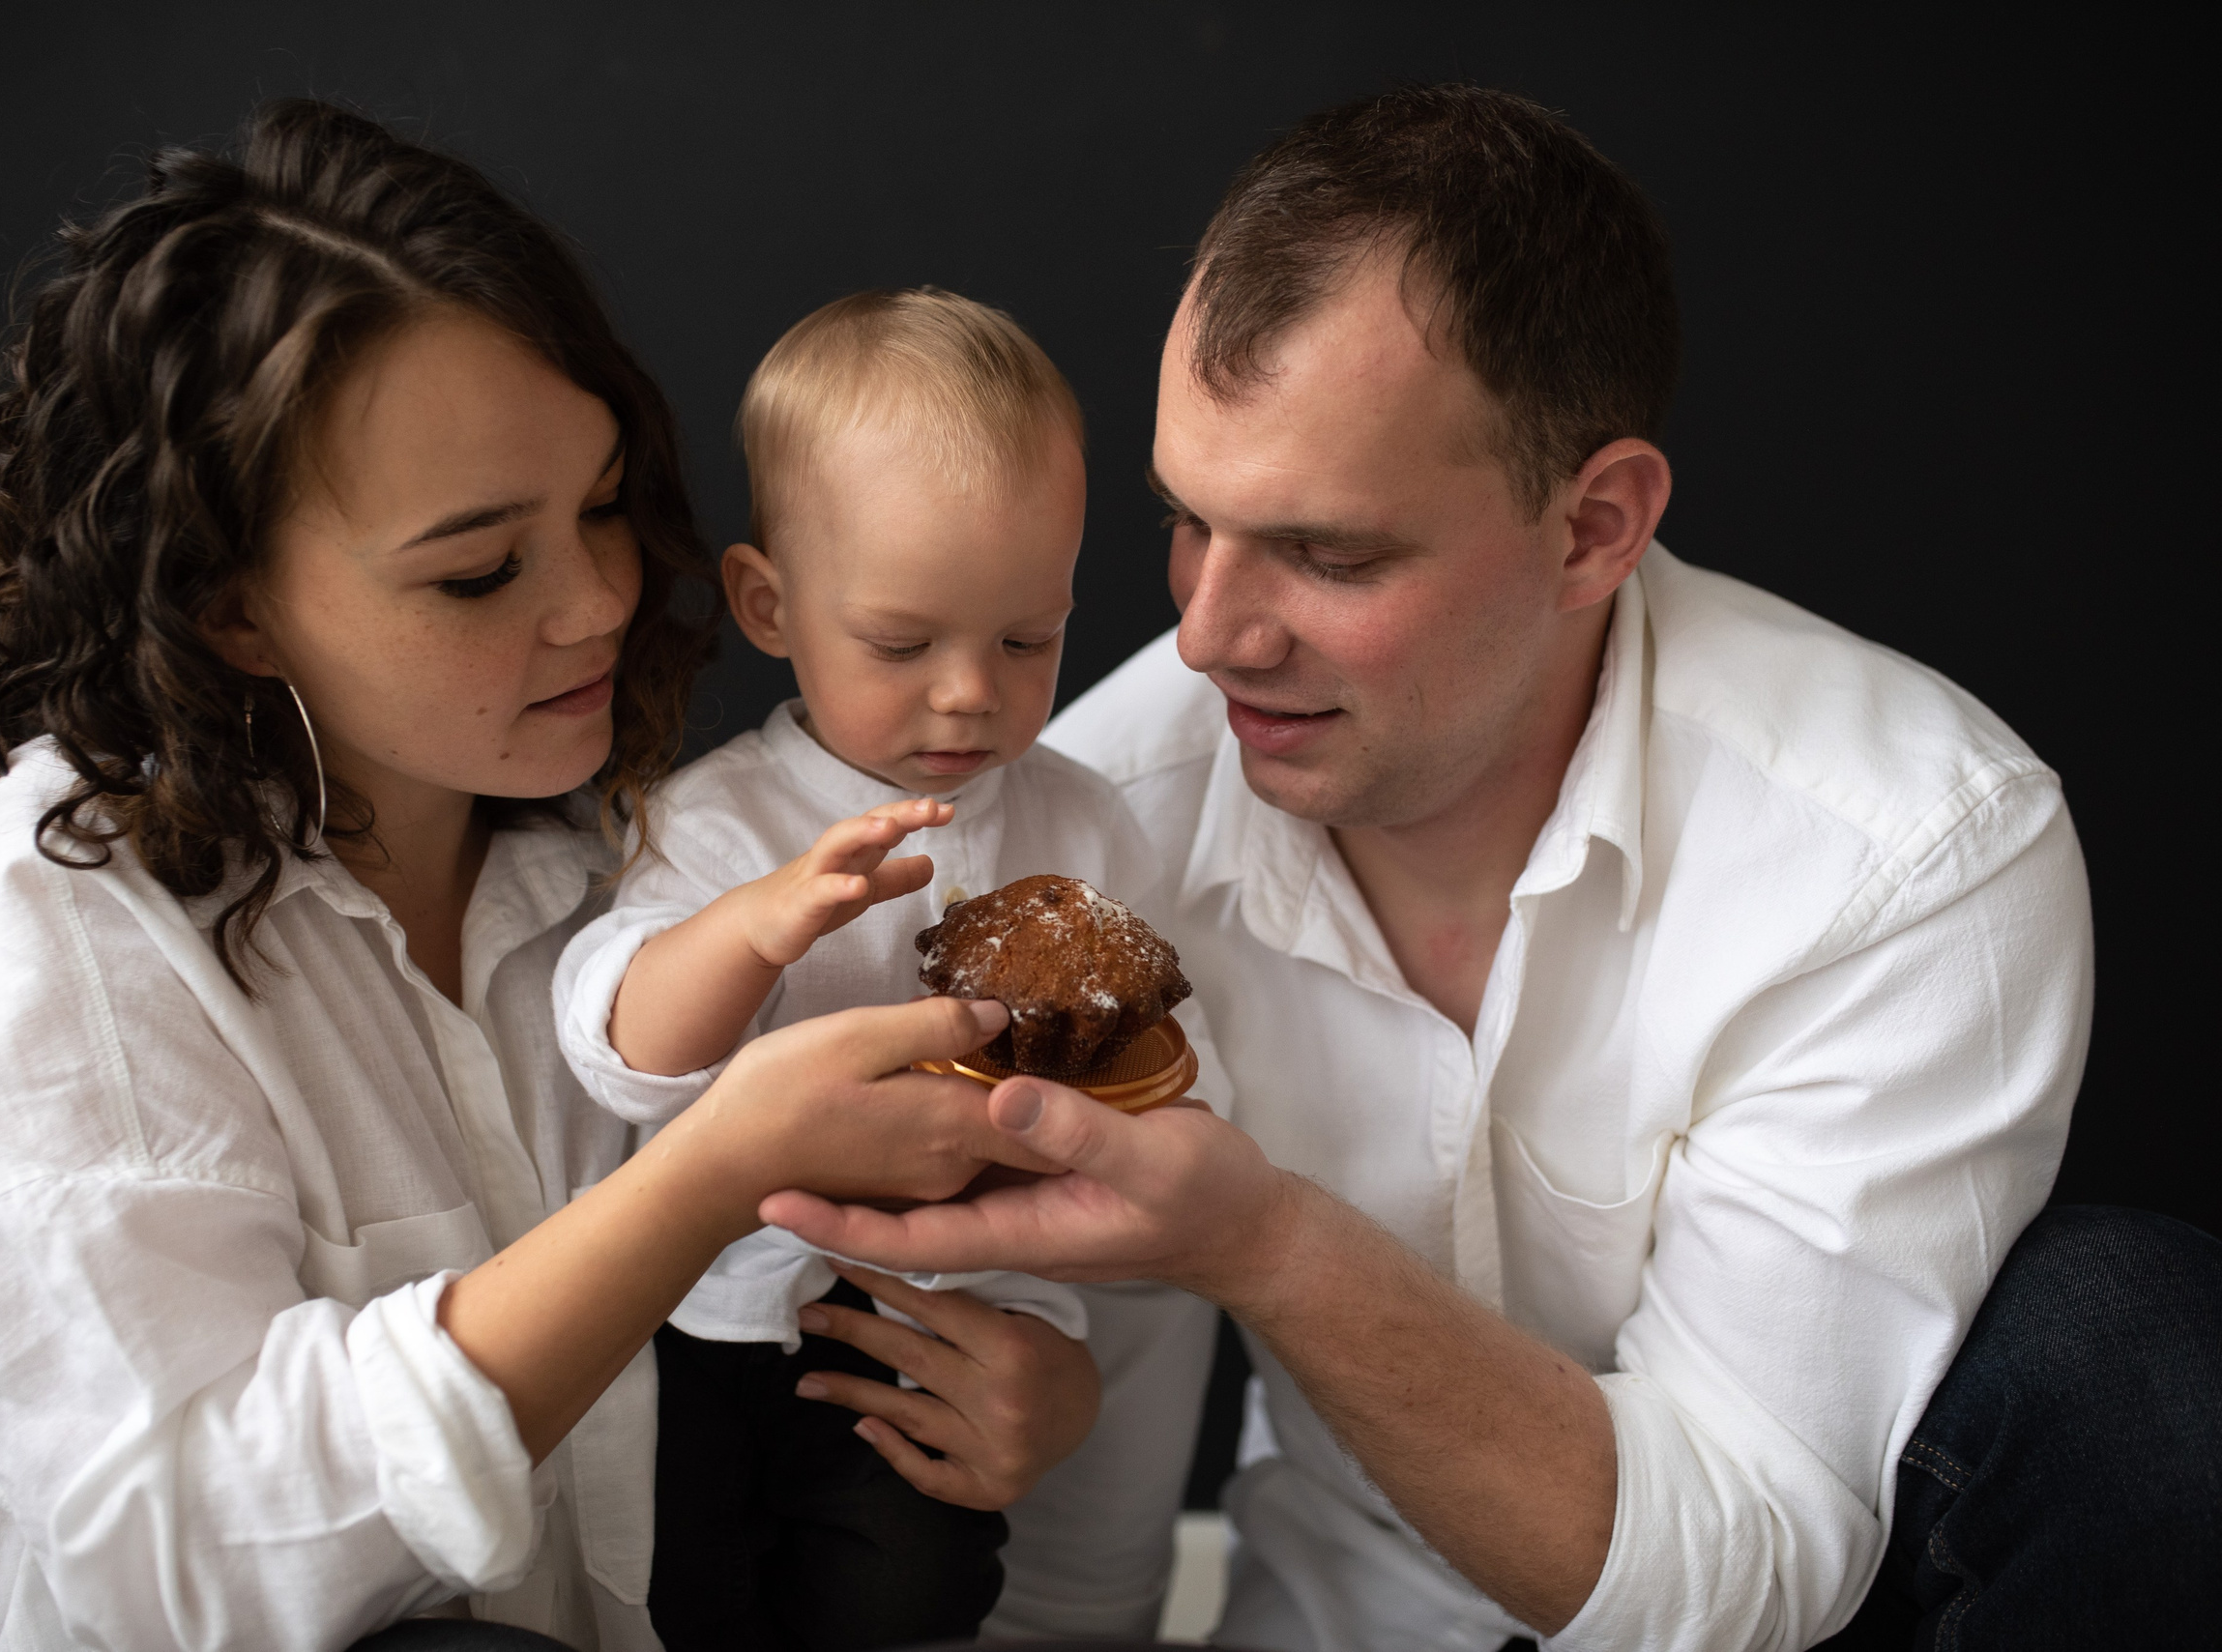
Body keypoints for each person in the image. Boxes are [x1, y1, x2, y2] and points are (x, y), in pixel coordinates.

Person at [768, 87, 2222, 1649]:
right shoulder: (1097, 817)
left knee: (2125, 1341)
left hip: (1788, 1619)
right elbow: (1091, 1400)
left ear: (1595, 525)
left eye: (1328, 555)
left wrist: (1269, 1242)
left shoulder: (1901, 847)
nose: (1207, 635)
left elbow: (1750, 1562)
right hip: (1331, 1611)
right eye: (1189, 522)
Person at [0, 101, 1098, 1652]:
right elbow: (178, 1570)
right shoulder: (64, 911)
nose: (598, 603)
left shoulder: (619, 850)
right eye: (481, 568)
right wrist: (698, 1179)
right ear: (234, 606)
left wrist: (1026, 1383)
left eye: (601, 507)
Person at [552, 287, 1216, 1650]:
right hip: (723, 1307)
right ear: (771, 604)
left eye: (1028, 640)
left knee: (911, 1583)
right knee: (689, 1581)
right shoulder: (718, 820)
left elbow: (1154, 1061)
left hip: (947, 1314)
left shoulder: (1082, 822)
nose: (971, 692)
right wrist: (754, 929)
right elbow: (618, 1047)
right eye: (904, 644)